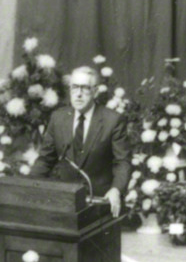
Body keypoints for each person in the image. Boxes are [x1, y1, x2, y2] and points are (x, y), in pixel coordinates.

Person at [30, 66, 131, 216]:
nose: (78, 94)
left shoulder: (113, 120)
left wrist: (116, 190)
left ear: (95, 91)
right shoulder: (58, 118)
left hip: (99, 204)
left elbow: (122, 162)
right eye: (74, 87)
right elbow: (45, 160)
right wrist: (29, 186)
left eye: (84, 88)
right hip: (64, 203)